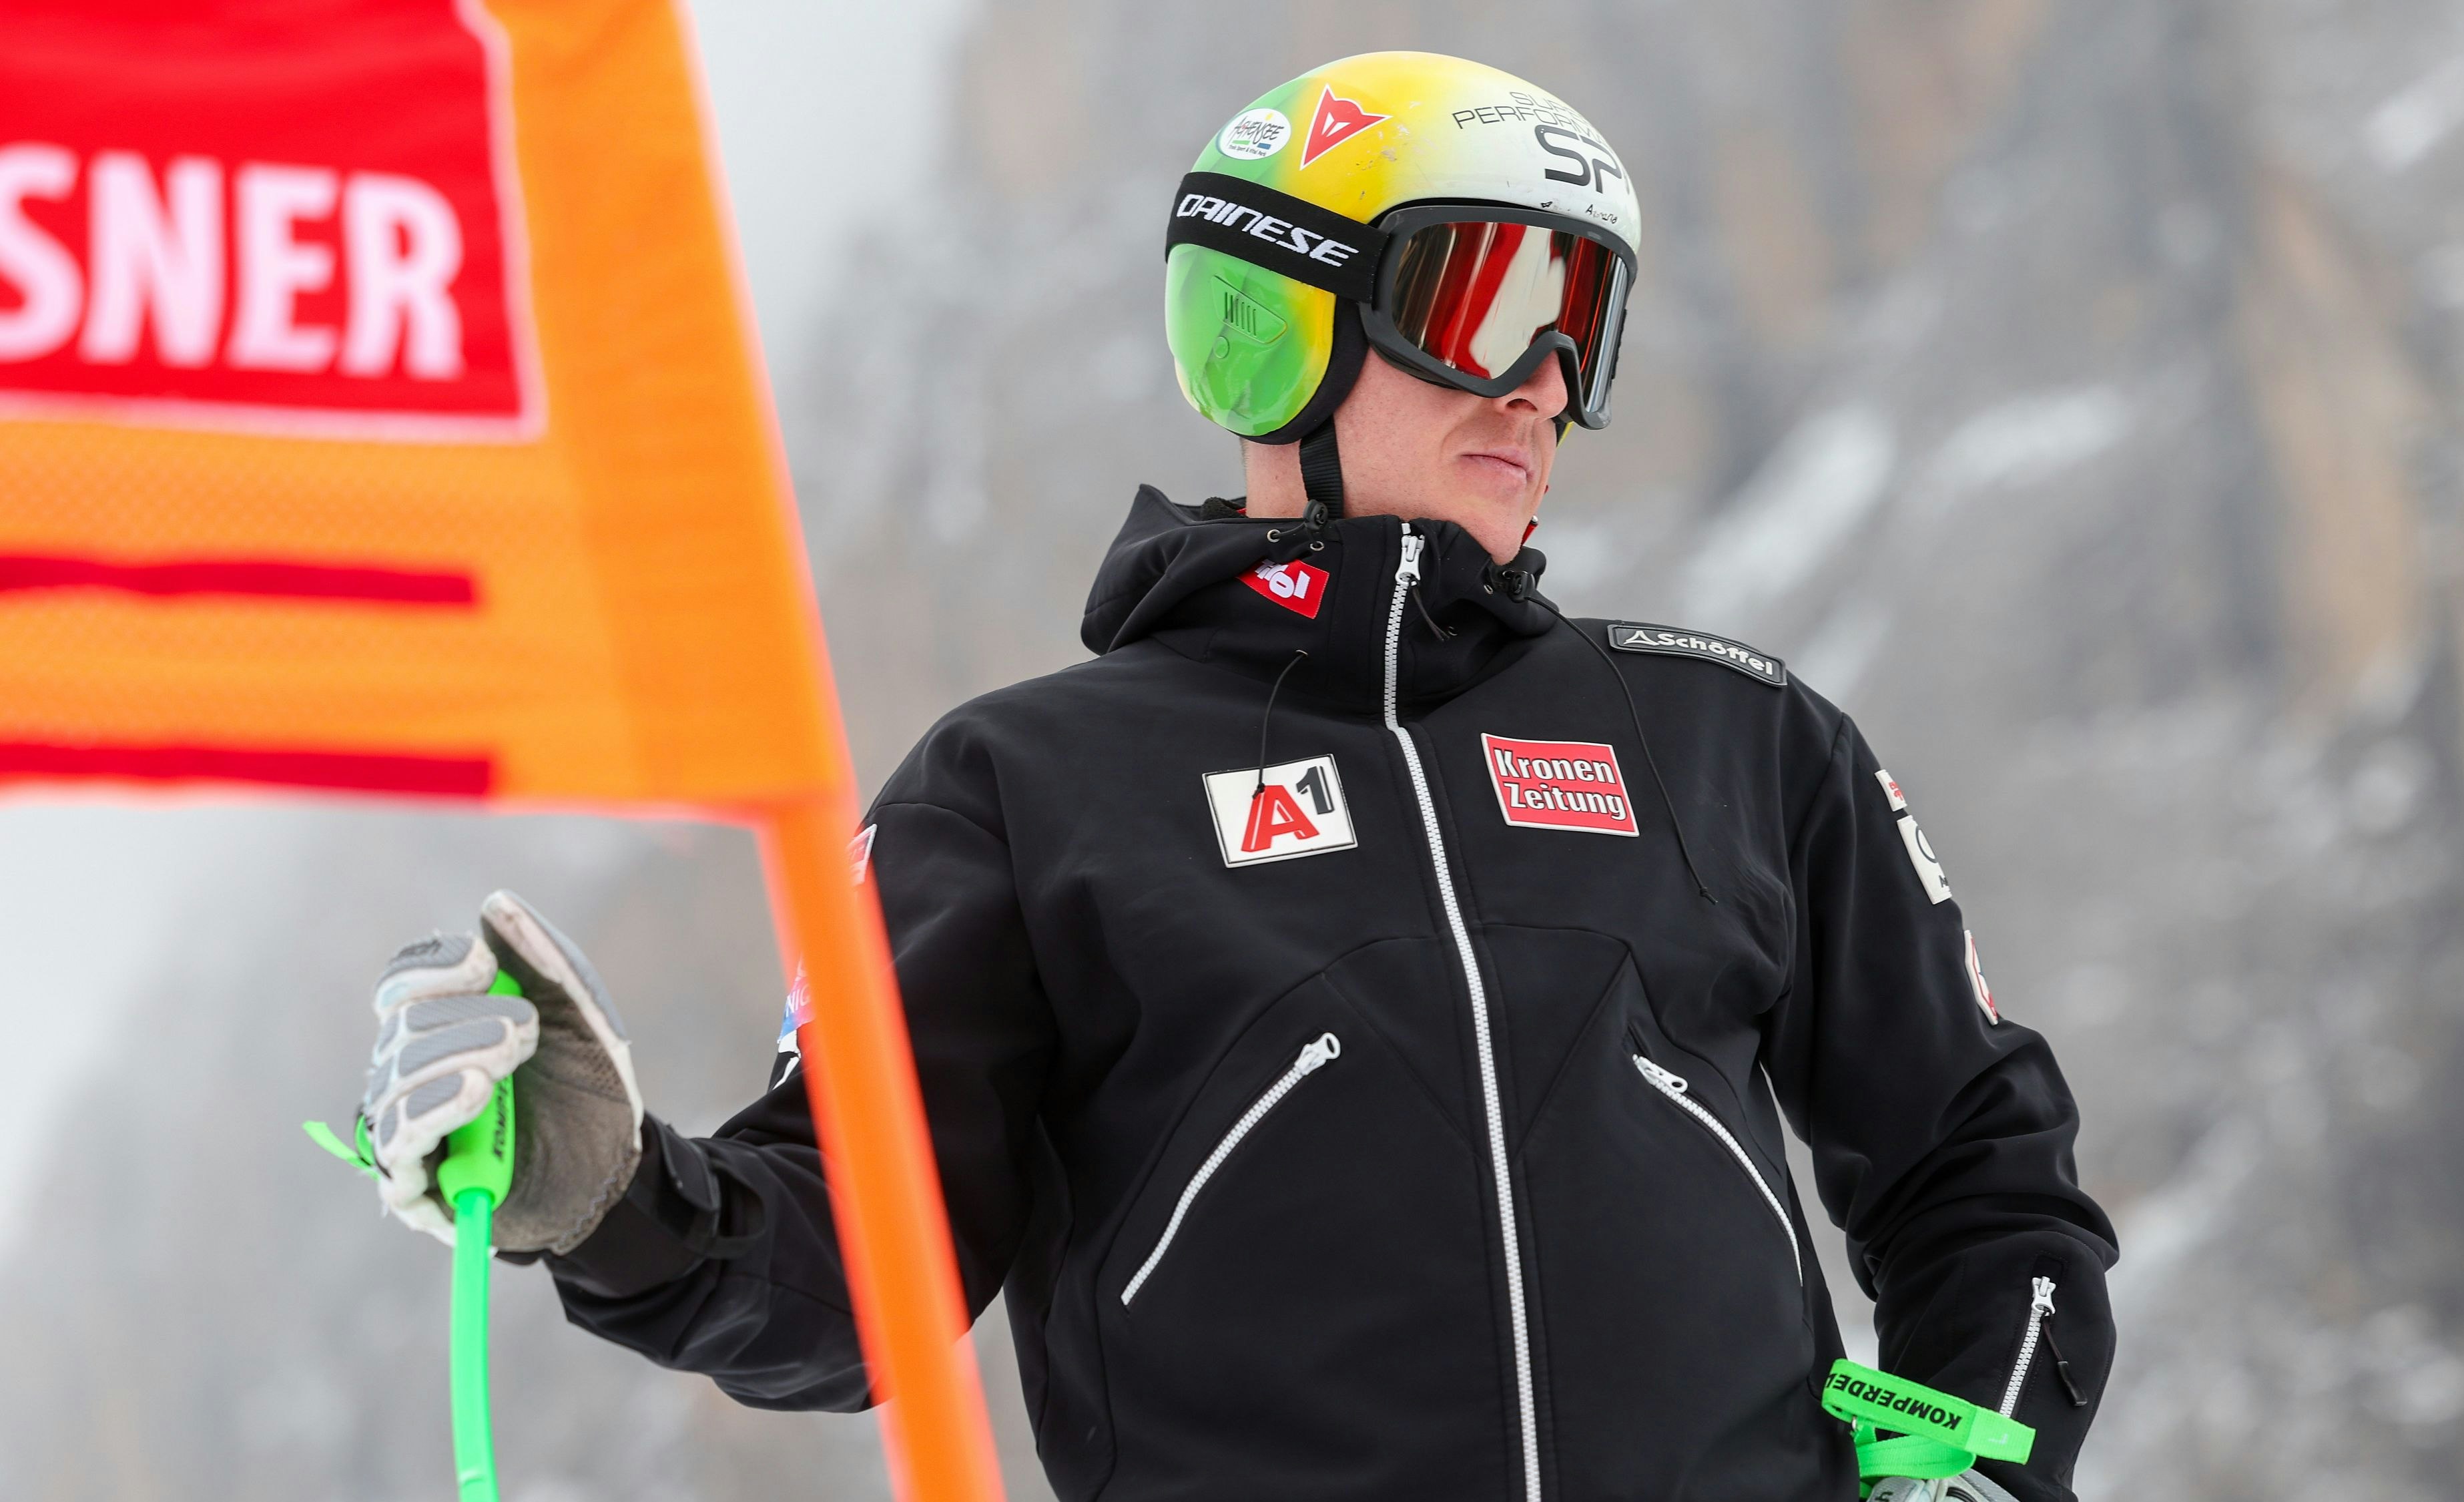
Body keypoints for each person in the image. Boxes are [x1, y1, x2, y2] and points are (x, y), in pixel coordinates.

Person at [352, 51, 2117, 1502]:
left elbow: (1983, 1171)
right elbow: (861, 1271)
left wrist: (1973, 1467)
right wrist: (612, 1204)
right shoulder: (1028, 790)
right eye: (1488, 303)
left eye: (1586, 320)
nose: (1544, 385)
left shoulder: (1731, 737)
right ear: (1281, 328)